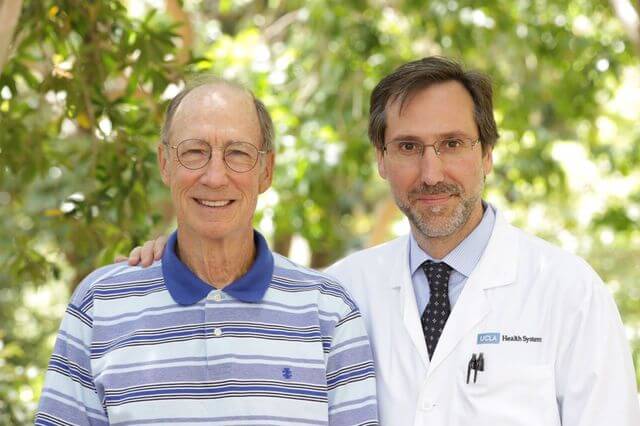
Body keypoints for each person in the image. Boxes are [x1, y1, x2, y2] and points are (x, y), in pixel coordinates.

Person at [125, 57, 640, 425]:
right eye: (408, 146)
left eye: (453, 144)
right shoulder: (338, 294)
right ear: (381, 159)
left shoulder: (568, 292)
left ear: (487, 155)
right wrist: (173, 253)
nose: (431, 171)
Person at [36, 78, 378, 425]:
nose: (215, 177)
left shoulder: (328, 312)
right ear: (165, 163)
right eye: (195, 151)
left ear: (266, 170)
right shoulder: (99, 305)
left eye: (238, 153)